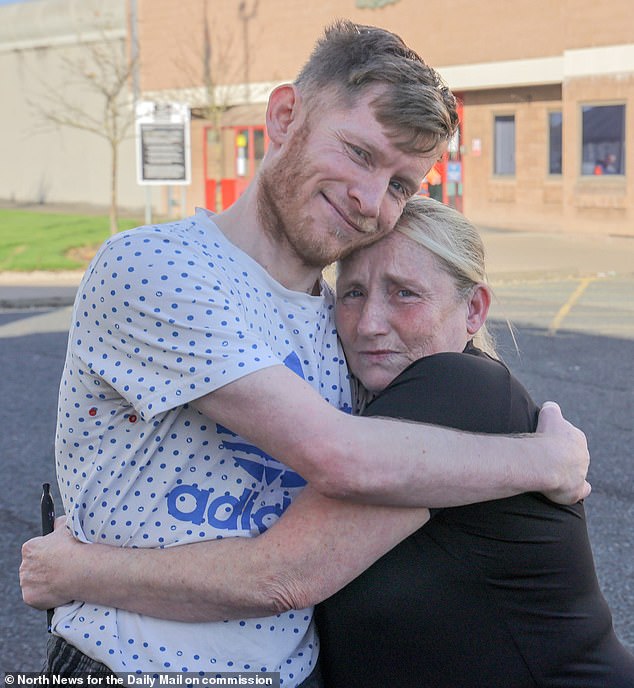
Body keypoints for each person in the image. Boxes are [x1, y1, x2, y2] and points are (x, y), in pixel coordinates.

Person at [21, 20, 590, 686]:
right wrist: (544, 458)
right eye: (359, 153)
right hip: (134, 669)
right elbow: (339, 457)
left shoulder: (345, 321)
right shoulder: (157, 267)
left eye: (402, 184)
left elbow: (406, 464)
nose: (373, 201)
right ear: (285, 116)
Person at [22, 197, 629, 687]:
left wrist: (78, 573)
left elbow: (284, 576)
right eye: (354, 292)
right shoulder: (368, 400)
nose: (368, 324)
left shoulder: (458, 387)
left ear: (474, 311)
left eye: (405, 293)